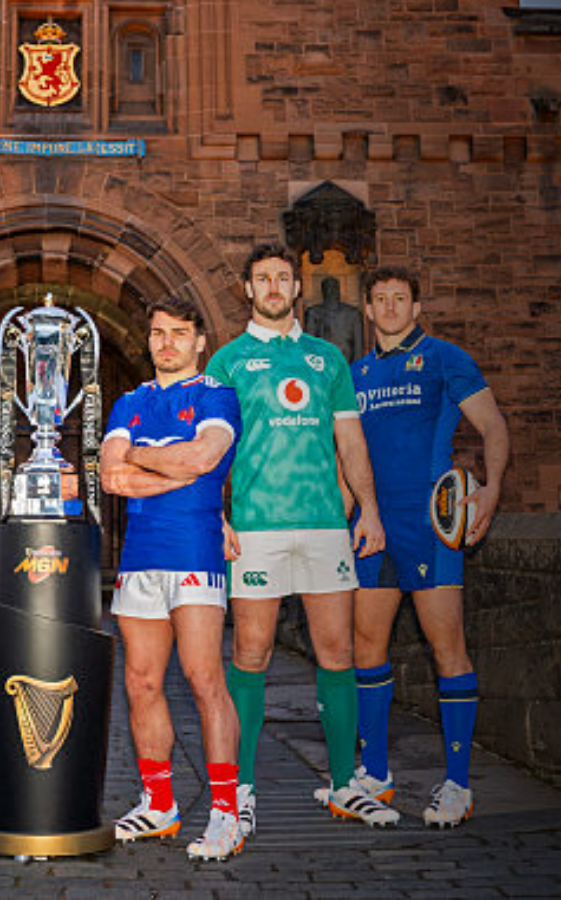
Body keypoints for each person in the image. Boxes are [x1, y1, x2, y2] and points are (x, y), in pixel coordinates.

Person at [206, 244, 400, 836]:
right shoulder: (227, 362)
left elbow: (351, 442)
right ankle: (239, 789)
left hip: (323, 525)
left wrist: (368, 508)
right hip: (257, 527)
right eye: (262, 278)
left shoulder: (327, 360)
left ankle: (344, 784)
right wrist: (218, 517)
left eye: (282, 279)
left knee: (337, 652)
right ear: (248, 290)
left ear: (297, 289)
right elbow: (215, 449)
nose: (272, 287)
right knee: (251, 654)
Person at [344, 265, 508, 828]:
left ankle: (458, 786)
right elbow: (347, 457)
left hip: (431, 525)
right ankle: (377, 776)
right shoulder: (356, 373)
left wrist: (490, 490)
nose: (389, 307)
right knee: (366, 648)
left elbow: (492, 426)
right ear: (368, 309)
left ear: (416, 308)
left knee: (448, 650)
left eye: (400, 298)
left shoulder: (444, 358)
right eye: (380, 298)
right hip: (371, 527)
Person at [101, 296, 243, 861]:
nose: (167, 343)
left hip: (195, 552)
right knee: (140, 681)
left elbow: (204, 459)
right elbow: (113, 476)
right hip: (140, 556)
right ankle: (159, 804)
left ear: (199, 340)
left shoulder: (215, 395)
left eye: (179, 333)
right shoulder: (130, 401)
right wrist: (171, 467)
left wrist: (144, 458)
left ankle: (226, 814)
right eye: (158, 333)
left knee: (205, 678)